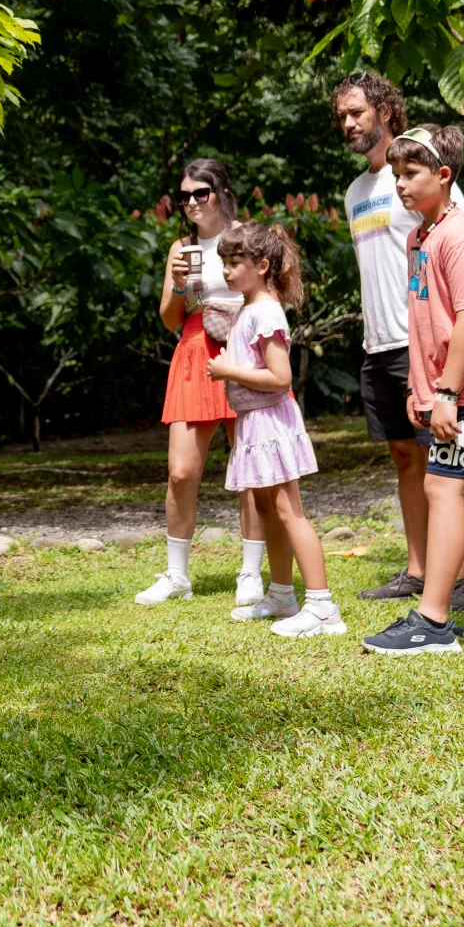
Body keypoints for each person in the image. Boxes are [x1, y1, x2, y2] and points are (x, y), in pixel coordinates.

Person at [360, 125, 464, 656]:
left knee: (442, 488)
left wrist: (448, 393)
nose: (401, 186)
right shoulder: (419, 238)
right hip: (444, 389)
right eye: (396, 175)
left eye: (411, 174)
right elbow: (420, 320)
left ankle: (432, 623)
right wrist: (419, 388)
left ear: (444, 175)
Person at [332, 74, 464, 616]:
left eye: (356, 112)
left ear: (384, 109)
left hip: (422, 340)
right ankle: (420, 567)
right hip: (377, 340)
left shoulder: (423, 173)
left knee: (449, 459)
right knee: (405, 455)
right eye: (342, 117)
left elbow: (460, 253)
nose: (349, 124)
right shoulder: (357, 191)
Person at [138, 158, 282, 608]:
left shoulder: (249, 237)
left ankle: (250, 572)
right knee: (181, 472)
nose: (193, 202)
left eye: (201, 192)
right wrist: (179, 286)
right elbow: (169, 319)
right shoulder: (181, 248)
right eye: (185, 196)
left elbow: (272, 298)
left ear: (221, 191)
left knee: (251, 471)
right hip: (195, 350)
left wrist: (239, 319)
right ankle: (176, 575)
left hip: (245, 347)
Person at [206, 222, 344, 638]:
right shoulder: (248, 308)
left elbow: (281, 378)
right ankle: (282, 594)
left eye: (235, 263)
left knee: (289, 511)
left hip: (271, 421)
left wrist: (229, 369)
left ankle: (322, 607)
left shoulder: (265, 311)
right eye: (224, 264)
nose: (228, 272)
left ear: (262, 265)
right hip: (254, 423)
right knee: (266, 510)